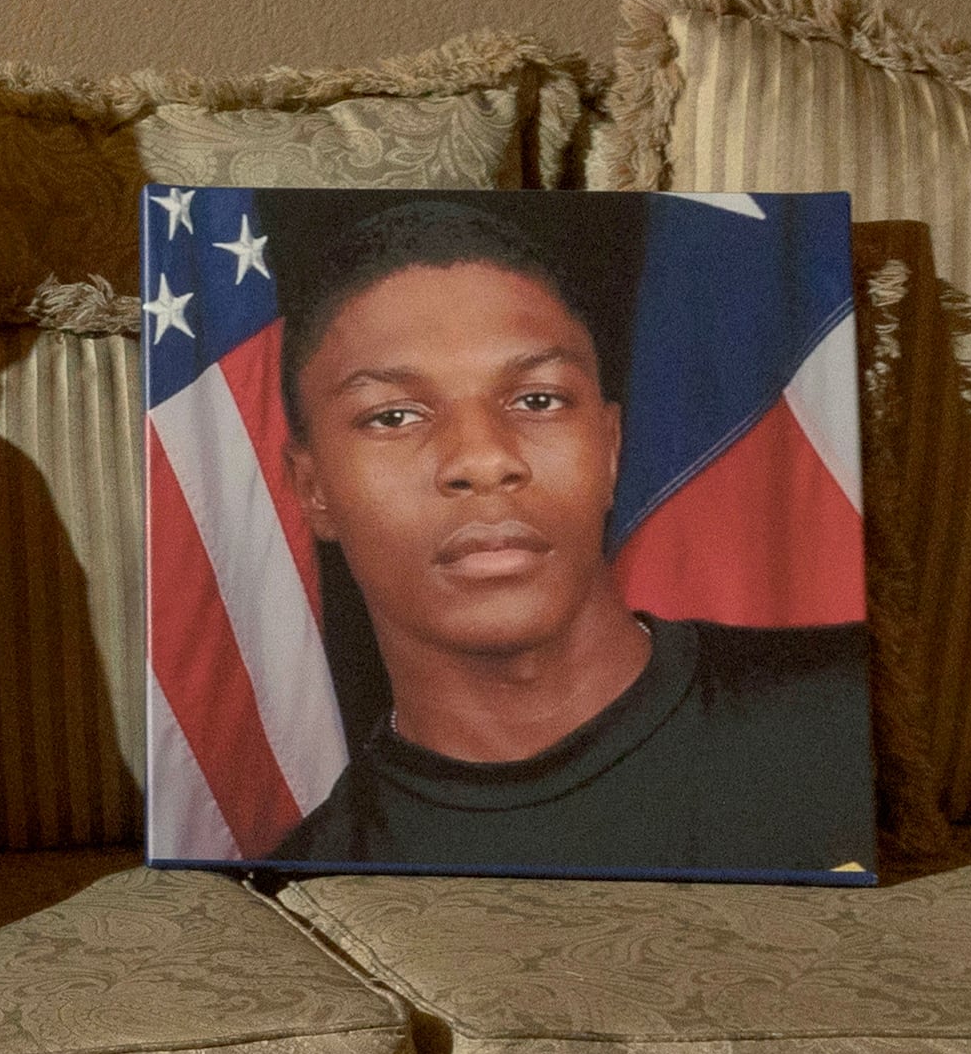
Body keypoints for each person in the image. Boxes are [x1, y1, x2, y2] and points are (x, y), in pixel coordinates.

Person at [262, 198, 872, 876]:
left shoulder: (849, 710)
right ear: (312, 488)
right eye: (395, 415)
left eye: (537, 400)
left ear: (610, 447)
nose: (484, 459)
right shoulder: (307, 882)